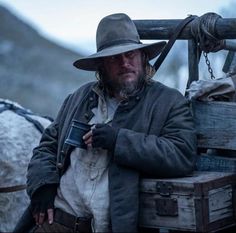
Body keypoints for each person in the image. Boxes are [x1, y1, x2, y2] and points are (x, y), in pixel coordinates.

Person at [20, 13, 197, 233]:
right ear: (101, 66)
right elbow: (47, 146)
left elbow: (182, 154)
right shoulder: (78, 98)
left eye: (130, 54)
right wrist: (42, 184)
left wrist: (118, 140)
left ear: (143, 57)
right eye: (114, 58)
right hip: (57, 221)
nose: (124, 63)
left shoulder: (169, 102)